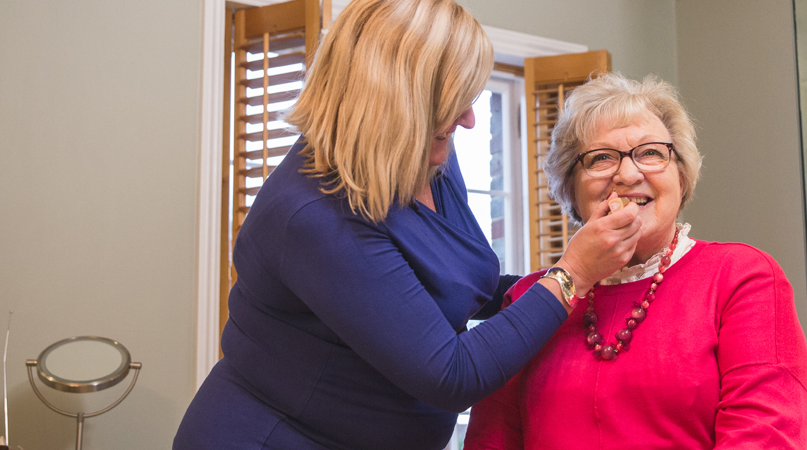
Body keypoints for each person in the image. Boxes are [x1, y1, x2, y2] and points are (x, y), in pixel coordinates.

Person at [173, 1, 644, 449]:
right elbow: (450, 374)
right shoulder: (312, 215)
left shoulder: (427, 152)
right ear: (399, 101)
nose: (470, 119)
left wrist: (591, 276)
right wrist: (572, 274)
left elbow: (460, 287)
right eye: (456, 101)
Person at [464, 73, 807, 449]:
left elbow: (763, 437)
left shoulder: (741, 278)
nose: (628, 174)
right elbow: (490, 441)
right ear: (571, 186)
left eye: (650, 153)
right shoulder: (529, 299)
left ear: (681, 173)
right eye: (600, 158)